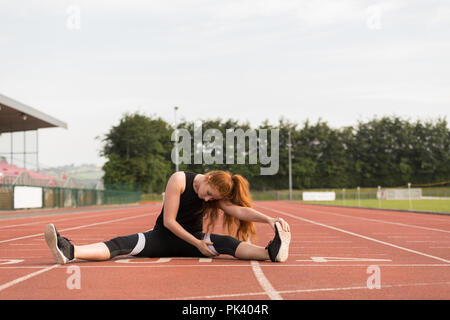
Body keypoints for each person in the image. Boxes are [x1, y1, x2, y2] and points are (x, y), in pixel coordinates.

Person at [44, 170, 291, 264]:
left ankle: (270, 253)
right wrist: (197, 244)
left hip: (195, 240)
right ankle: (70, 251)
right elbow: (169, 222)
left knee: (228, 243)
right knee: (120, 244)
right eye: (207, 194)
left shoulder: (215, 193)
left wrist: (270, 220)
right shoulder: (179, 180)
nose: (207, 201)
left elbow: (238, 210)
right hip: (164, 237)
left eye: (212, 199)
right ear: (207, 177)